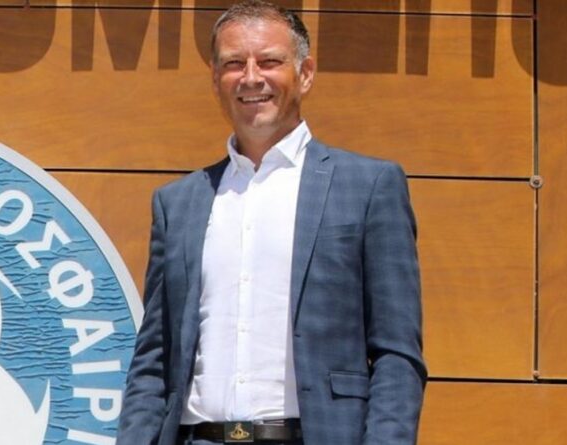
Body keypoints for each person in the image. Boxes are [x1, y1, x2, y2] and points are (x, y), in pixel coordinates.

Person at [117, 1, 426, 444]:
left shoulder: (369, 187)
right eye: (233, 64)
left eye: (269, 62)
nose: (251, 77)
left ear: (305, 73)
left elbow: (397, 355)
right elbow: (153, 361)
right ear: (215, 78)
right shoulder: (178, 204)